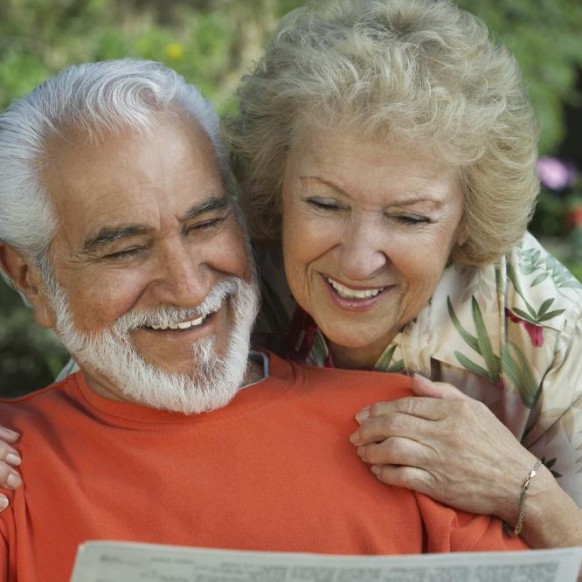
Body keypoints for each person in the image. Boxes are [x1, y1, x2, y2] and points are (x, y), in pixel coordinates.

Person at [0, 59, 526, 581]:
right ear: (30, 280)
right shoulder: (11, 470)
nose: (188, 287)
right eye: (126, 251)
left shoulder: (407, 438)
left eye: (205, 224)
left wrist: (532, 492)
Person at [225, 0, 582, 549]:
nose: (357, 259)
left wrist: (520, 486)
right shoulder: (214, 286)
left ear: (467, 217)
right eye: (325, 203)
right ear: (278, 182)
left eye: (410, 217)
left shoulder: (552, 331)